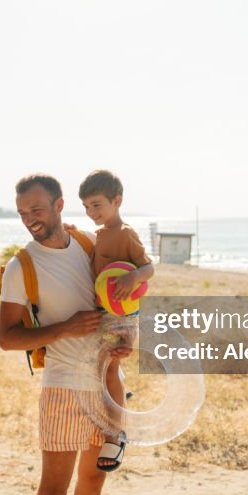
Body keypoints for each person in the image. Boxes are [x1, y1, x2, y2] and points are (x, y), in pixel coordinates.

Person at [0, 173, 129, 495]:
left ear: (59, 206)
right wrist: (65, 328)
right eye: (22, 213)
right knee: (53, 491)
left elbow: (116, 300)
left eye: (36, 209)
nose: (29, 219)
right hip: (63, 388)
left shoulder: (90, 244)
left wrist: (122, 337)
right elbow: (6, 337)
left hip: (105, 383)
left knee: (93, 481)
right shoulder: (21, 266)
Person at [78, 168, 155, 472]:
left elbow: (148, 268)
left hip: (122, 313)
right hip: (103, 312)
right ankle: (115, 408)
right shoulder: (97, 235)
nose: (91, 212)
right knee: (105, 367)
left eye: (96, 205)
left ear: (117, 200)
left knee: (109, 364)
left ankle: (117, 433)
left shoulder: (125, 234)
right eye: (86, 207)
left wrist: (135, 275)